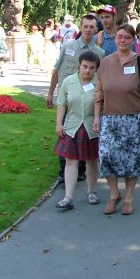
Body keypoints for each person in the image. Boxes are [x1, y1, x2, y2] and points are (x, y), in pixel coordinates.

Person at [93, 24, 140, 215]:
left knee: (133, 160)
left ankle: (129, 198)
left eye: (127, 37)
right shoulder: (106, 62)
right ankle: (114, 194)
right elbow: (99, 92)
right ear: (115, 38)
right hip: (109, 118)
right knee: (106, 157)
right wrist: (96, 117)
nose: (122, 40)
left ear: (133, 40)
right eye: (119, 36)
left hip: (134, 118)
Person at [47, 14, 105, 183]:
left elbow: (101, 78)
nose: (88, 30)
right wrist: (51, 92)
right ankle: (63, 172)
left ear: (96, 30)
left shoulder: (99, 53)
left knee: (86, 134)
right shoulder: (68, 46)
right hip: (68, 98)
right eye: (85, 26)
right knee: (65, 133)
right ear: (81, 27)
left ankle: (80, 170)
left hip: (88, 101)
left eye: (91, 27)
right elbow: (57, 70)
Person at [54, 52, 102, 211]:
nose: (87, 70)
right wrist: (59, 124)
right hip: (72, 126)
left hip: (91, 127)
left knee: (92, 160)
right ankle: (68, 197)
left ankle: (91, 192)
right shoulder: (69, 82)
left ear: (96, 69)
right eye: (85, 66)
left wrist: (98, 119)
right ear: (79, 66)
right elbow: (61, 103)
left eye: (92, 68)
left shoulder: (99, 83)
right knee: (70, 161)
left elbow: (102, 103)